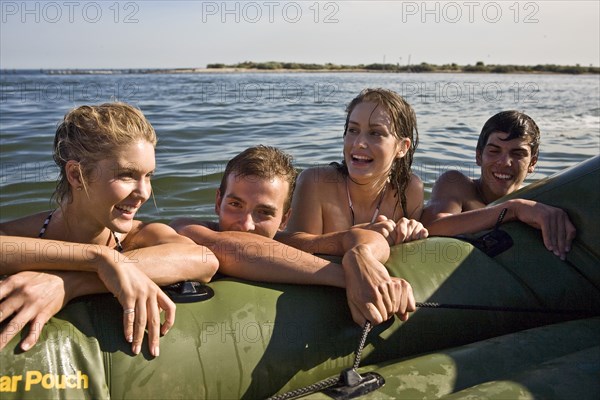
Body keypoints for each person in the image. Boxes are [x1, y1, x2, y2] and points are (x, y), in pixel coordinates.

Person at [0, 102, 219, 356]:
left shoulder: (138, 236)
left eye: (148, 176)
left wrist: (70, 283)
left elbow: (204, 260)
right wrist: (98, 257)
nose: (144, 193)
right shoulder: (23, 234)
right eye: (127, 175)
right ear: (75, 174)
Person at [171, 145, 416, 326]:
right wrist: (349, 278)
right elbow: (226, 246)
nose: (246, 224)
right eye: (235, 205)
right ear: (218, 201)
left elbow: (362, 237)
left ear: (285, 219)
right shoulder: (189, 229)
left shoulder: (287, 243)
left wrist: (360, 258)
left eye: (264, 213)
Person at [421, 110, 576, 260]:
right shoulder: (457, 185)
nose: (504, 162)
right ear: (479, 156)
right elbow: (431, 227)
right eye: (494, 151)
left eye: (517, 154)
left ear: (532, 163)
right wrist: (512, 209)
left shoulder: (536, 206)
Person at [284, 88, 429, 245]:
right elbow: (294, 252)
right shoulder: (316, 183)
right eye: (353, 130)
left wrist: (412, 230)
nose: (359, 143)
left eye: (375, 133)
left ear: (402, 147)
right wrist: (355, 237)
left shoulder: (409, 190)